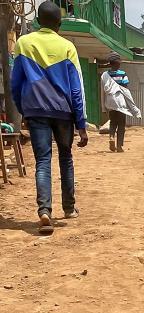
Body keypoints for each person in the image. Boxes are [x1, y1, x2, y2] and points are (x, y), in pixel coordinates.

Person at [10, 1, 88, 234]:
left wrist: (23, 109)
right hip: (63, 112)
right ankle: (69, 207)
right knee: (66, 157)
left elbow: (15, 83)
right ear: (59, 24)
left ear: (37, 22)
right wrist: (81, 123)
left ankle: (45, 210)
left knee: (43, 161)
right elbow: (77, 89)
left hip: (35, 111)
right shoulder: (67, 47)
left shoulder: (23, 43)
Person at [102, 52, 140, 153]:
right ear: (117, 63)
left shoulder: (105, 75)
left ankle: (111, 136)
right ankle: (119, 146)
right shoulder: (122, 74)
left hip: (110, 101)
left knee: (113, 122)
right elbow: (125, 88)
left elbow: (104, 89)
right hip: (120, 100)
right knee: (121, 124)